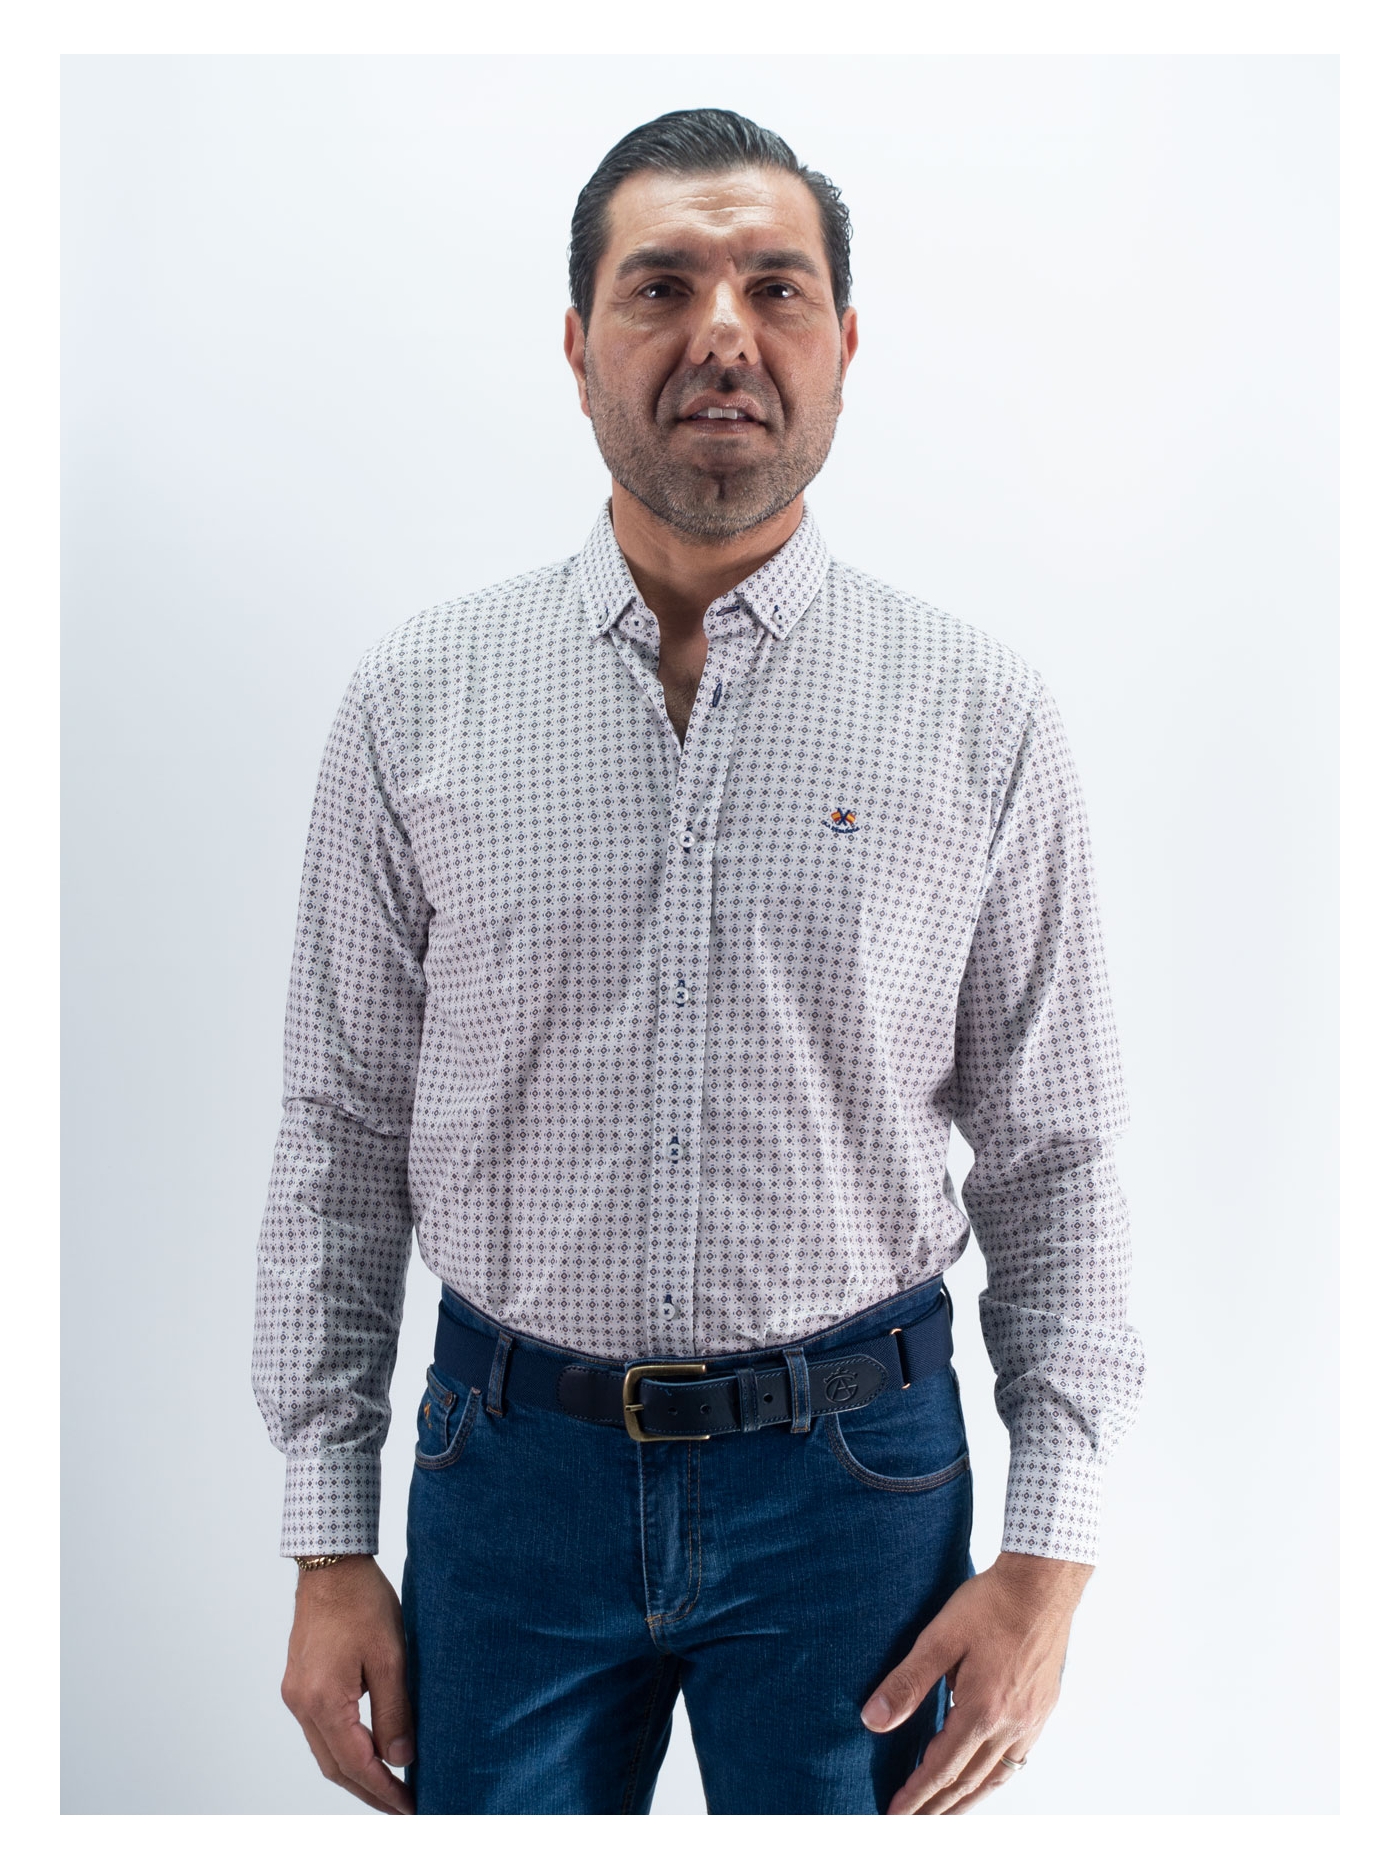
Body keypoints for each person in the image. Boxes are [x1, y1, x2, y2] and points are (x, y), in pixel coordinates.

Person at [253, 106, 1144, 1817]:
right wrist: (324, 1538)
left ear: (844, 343)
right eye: (662, 286)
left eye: (774, 288)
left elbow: (1057, 1150)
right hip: (506, 1479)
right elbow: (339, 1133)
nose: (722, 332)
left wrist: (1052, 1562)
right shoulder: (417, 701)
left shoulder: (980, 715)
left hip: (856, 1488)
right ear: (578, 341)